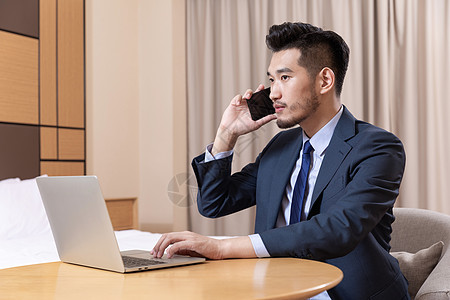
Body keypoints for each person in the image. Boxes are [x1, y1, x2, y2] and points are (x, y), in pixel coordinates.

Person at [152, 22, 409, 300]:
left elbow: (338, 229)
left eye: (285, 78)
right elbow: (215, 203)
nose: (273, 93)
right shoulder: (283, 146)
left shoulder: (378, 147)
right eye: (272, 80)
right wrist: (227, 134)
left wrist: (222, 247)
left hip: (349, 294)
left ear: (324, 81)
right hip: (278, 289)